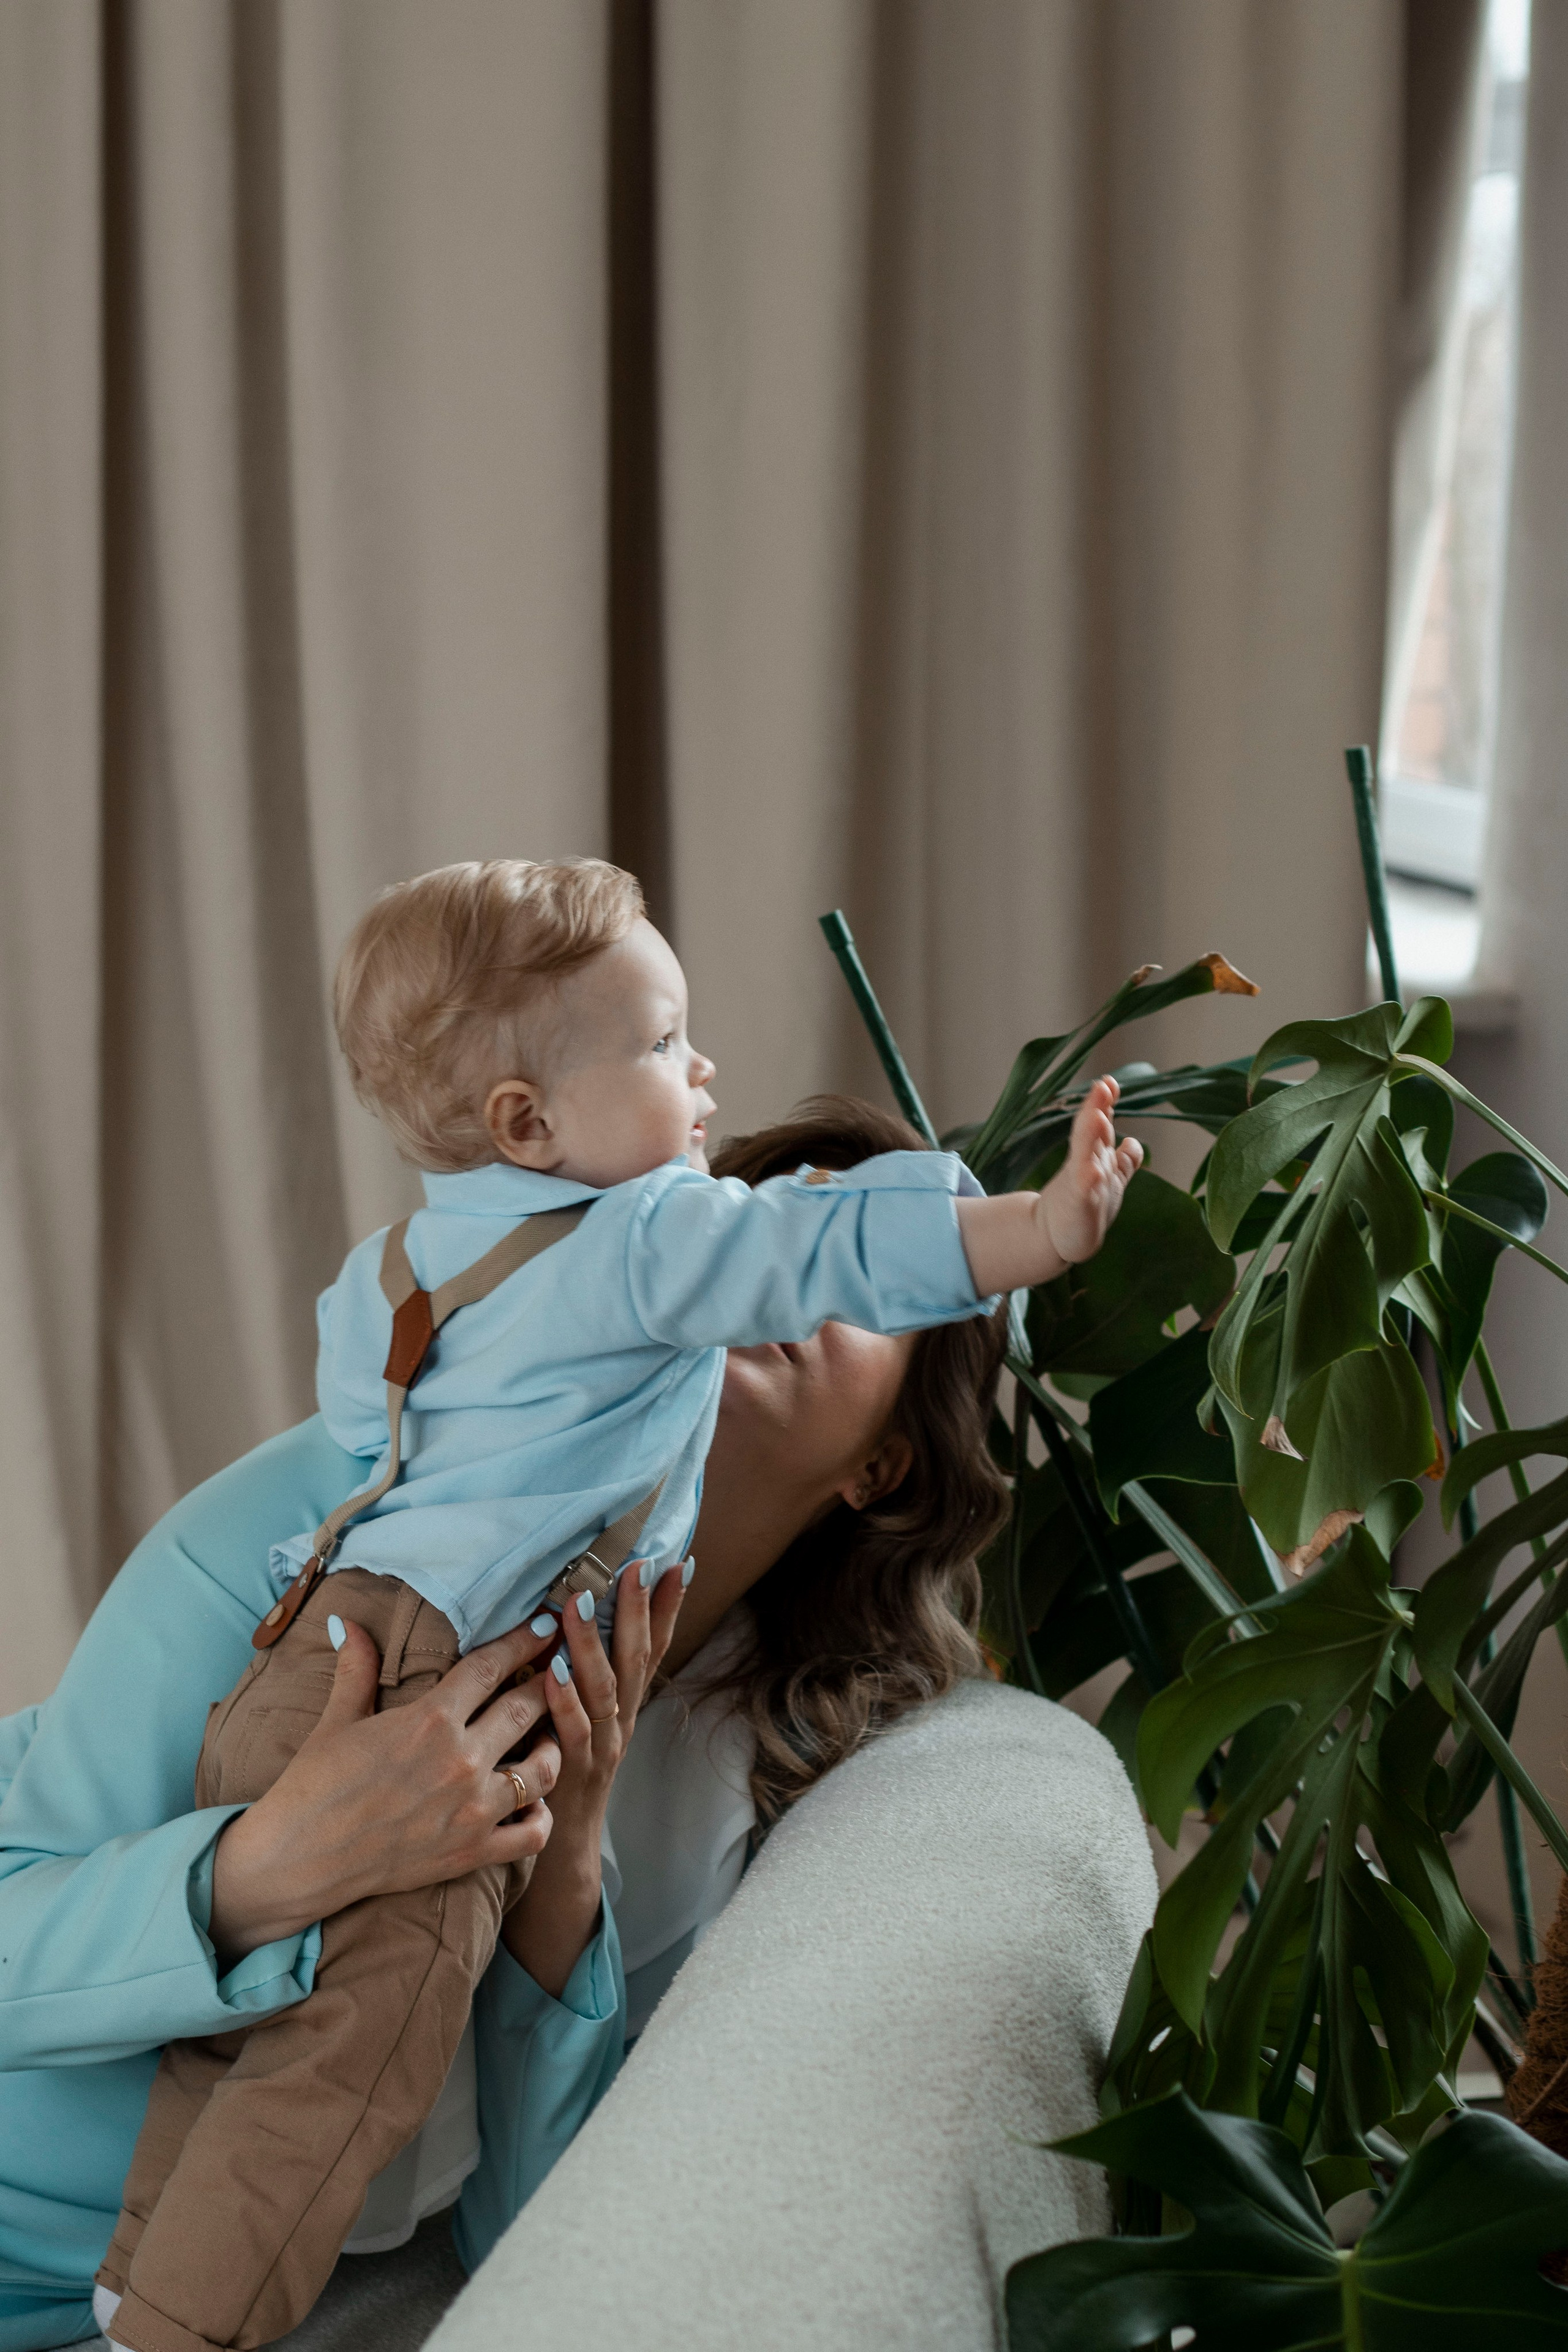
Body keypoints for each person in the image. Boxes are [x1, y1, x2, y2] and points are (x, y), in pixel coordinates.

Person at [91, 857, 1140, 2352]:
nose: (768, 1270)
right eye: (755, 1227)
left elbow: (522, 2223)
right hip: (301, 1712)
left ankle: (146, 2298)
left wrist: (566, 1861)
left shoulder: (740, 1769)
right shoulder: (565, 1304)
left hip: (160, 2198)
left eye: (837, 1279)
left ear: (885, 1461)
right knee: (346, 2037)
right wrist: (257, 1872)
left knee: (333, 2045)